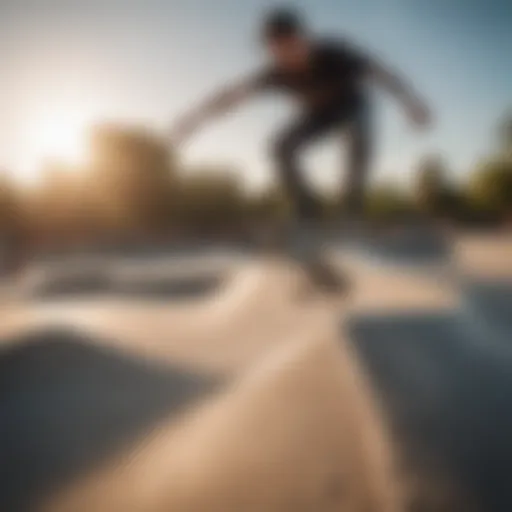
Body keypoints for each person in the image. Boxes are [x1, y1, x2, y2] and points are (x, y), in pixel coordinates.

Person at [171, 7, 431, 228]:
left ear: (304, 39)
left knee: (356, 137)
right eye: (279, 52)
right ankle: (308, 210)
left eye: (293, 47)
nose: (289, 57)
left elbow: (380, 73)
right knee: (279, 147)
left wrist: (411, 101)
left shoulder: (337, 55)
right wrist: (193, 120)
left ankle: (352, 208)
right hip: (318, 115)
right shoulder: (275, 74)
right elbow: (231, 96)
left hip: (352, 107)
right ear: (271, 51)